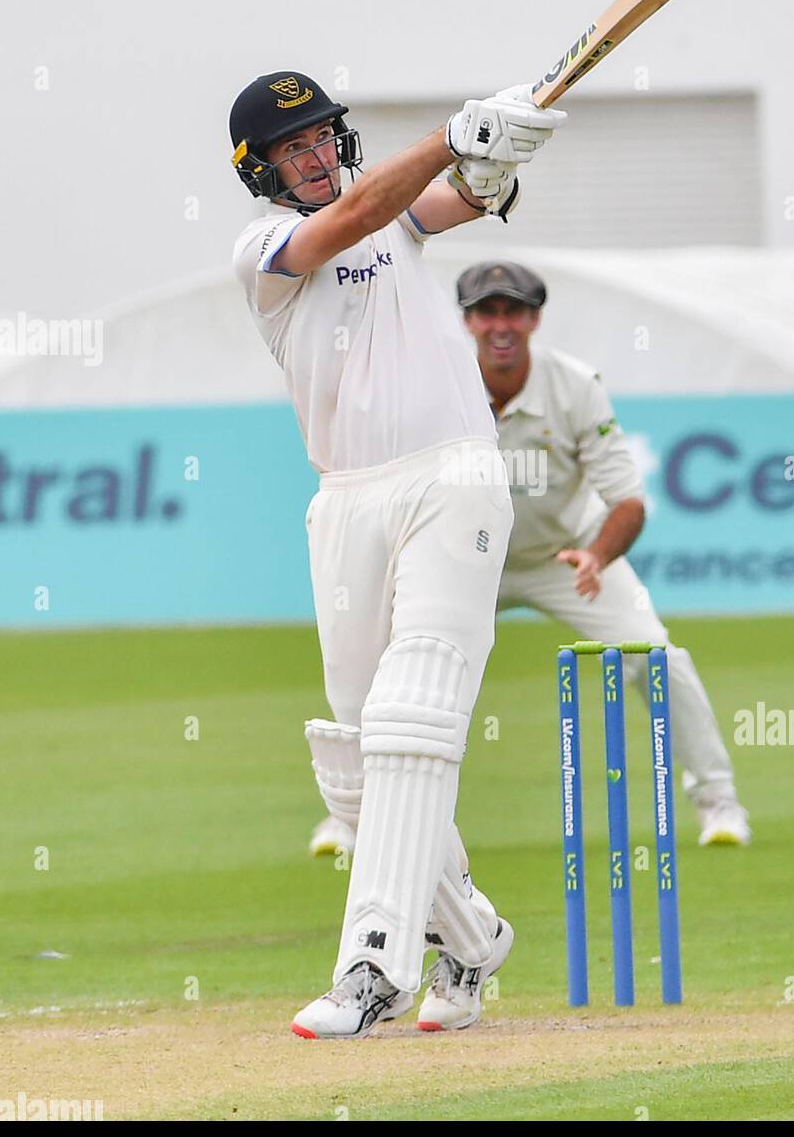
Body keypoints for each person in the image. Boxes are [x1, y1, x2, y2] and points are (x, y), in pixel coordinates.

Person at [229, 71, 566, 1038]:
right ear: (261, 171)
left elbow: (453, 199)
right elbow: (372, 206)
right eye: (291, 149)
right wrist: (455, 132)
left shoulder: (395, 218)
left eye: (322, 138)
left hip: (453, 475)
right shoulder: (262, 252)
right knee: (360, 756)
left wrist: (498, 160)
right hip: (345, 501)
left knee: (415, 711)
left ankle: (373, 965)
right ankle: (473, 936)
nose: (315, 158)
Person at [310, 261, 750, 859]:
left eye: (513, 310)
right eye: (487, 311)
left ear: (535, 318)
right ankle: (353, 817)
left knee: (658, 657)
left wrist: (596, 556)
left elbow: (627, 500)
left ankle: (719, 801)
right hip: (456, 561)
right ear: (465, 321)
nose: (501, 325)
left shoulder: (575, 386)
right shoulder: (432, 384)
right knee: (384, 675)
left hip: (561, 559)